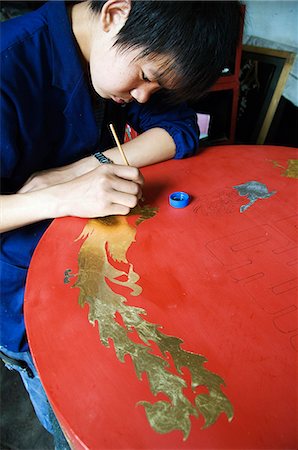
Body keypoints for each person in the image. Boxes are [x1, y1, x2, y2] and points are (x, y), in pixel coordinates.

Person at [0, 0, 243, 446]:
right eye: (148, 77)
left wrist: (83, 169)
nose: (145, 96)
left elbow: (181, 129)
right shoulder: (9, 64)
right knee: (76, 417)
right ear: (114, 13)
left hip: (99, 263)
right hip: (23, 294)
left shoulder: (116, 58)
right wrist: (57, 197)